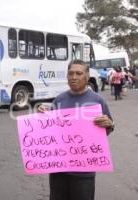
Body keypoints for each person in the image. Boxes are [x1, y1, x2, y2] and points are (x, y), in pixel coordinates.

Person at [38, 59, 114, 200]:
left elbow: (107, 130)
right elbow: (50, 131)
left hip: (84, 172)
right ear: (67, 76)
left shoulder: (97, 100)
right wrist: (42, 116)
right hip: (58, 170)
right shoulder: (59, 100)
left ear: (86, 75)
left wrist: (108, 124)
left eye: (78, 73)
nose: (74, 77)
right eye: (70, 73)